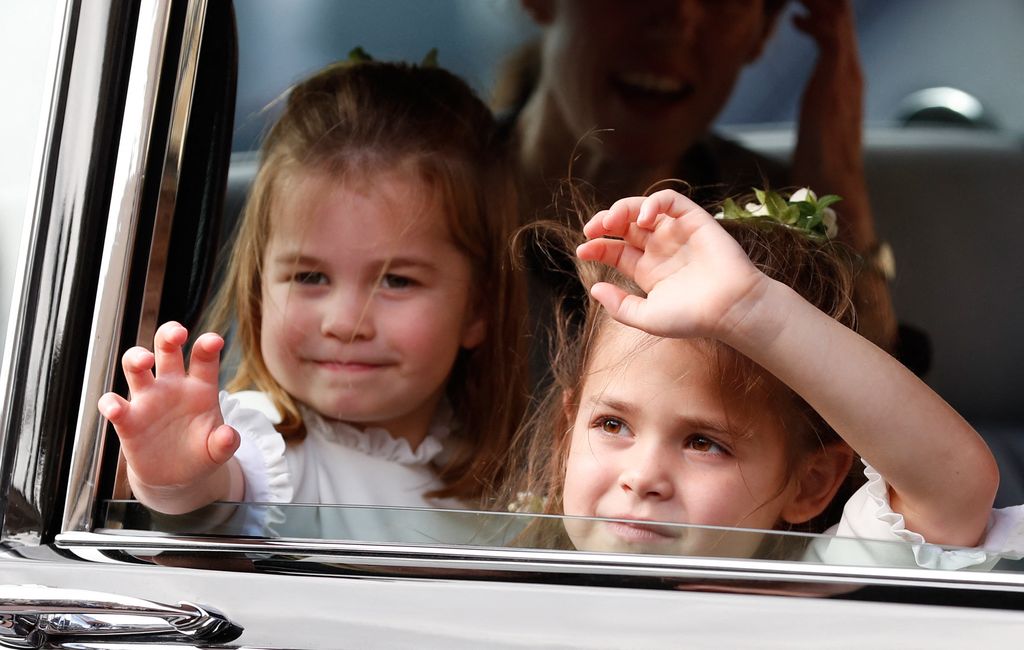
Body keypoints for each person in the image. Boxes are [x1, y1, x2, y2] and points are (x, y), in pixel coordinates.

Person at [96, 60, 529, 525]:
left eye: (396, 280)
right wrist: (178, 478)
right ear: (259, 287)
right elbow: (219, 488)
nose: (345, 322)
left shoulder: (497, 469)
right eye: (310, 277)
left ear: (477, 309)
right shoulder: (266, 443)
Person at [504, 188, 1023, 568]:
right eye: (612, 425)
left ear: (811, 483)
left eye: (704, 442)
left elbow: (955, 486)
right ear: (563, 435)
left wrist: (752, 312)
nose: (641, 478)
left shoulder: (817, 588)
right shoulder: (494, 581)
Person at [496, 0, 900, 359]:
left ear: (762, 28)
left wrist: (836, 185)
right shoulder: (446, 179)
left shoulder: (773, 223)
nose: (679, 18)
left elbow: (875, 432)